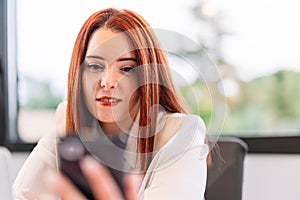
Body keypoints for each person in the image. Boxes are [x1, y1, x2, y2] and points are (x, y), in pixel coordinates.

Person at [13, 8, 208, 200]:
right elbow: (25, 193)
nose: (107, 81)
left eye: (126, 68)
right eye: (95, 66)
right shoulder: (68, 118)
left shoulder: (182, 133)